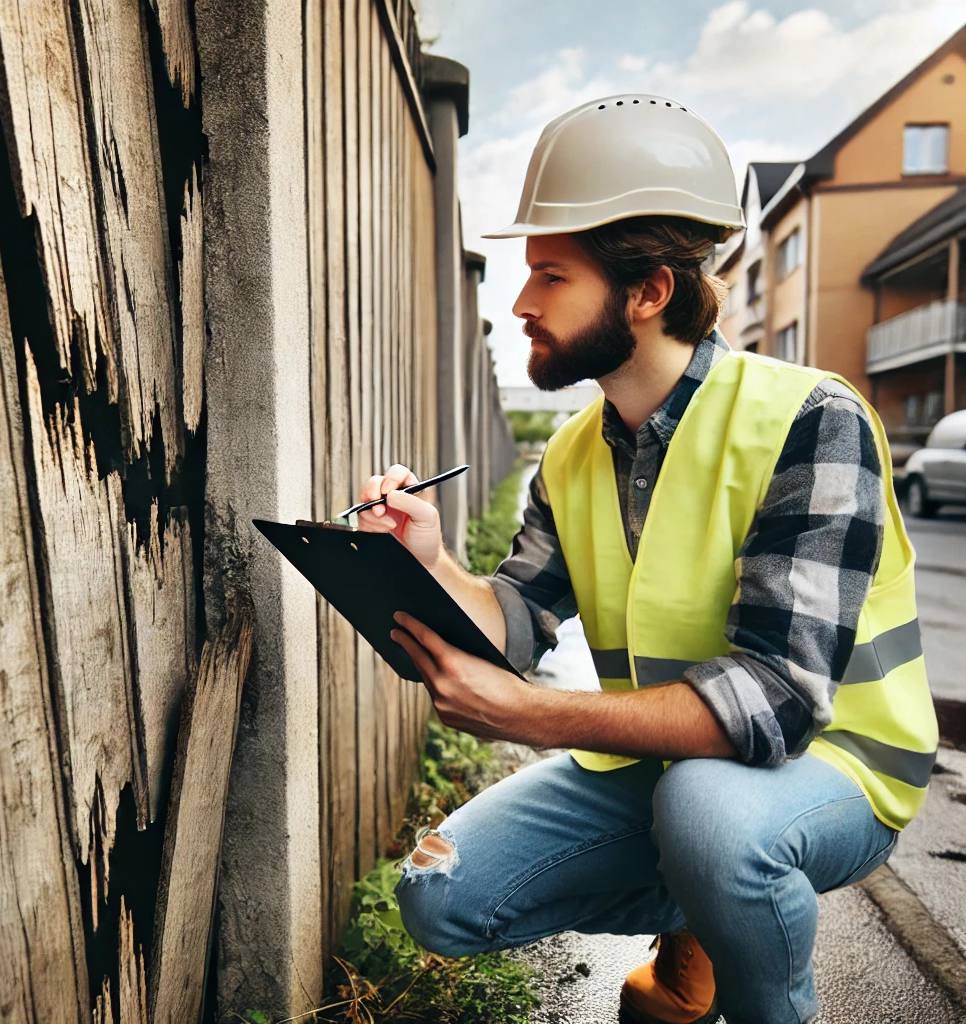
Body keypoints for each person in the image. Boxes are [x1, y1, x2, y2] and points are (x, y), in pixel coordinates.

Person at [356, 94, 938, 1024]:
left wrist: (535, 717)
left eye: (551, 276)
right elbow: (514, 622)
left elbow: (777, 704)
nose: (521, 305)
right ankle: (708, 906)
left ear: (649, 290)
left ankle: (761, 989)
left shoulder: (810, 419)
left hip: (838, 763)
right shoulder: (577, 452)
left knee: (713, 816)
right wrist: (431, 561)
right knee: (438, 891)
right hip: (675, 771)